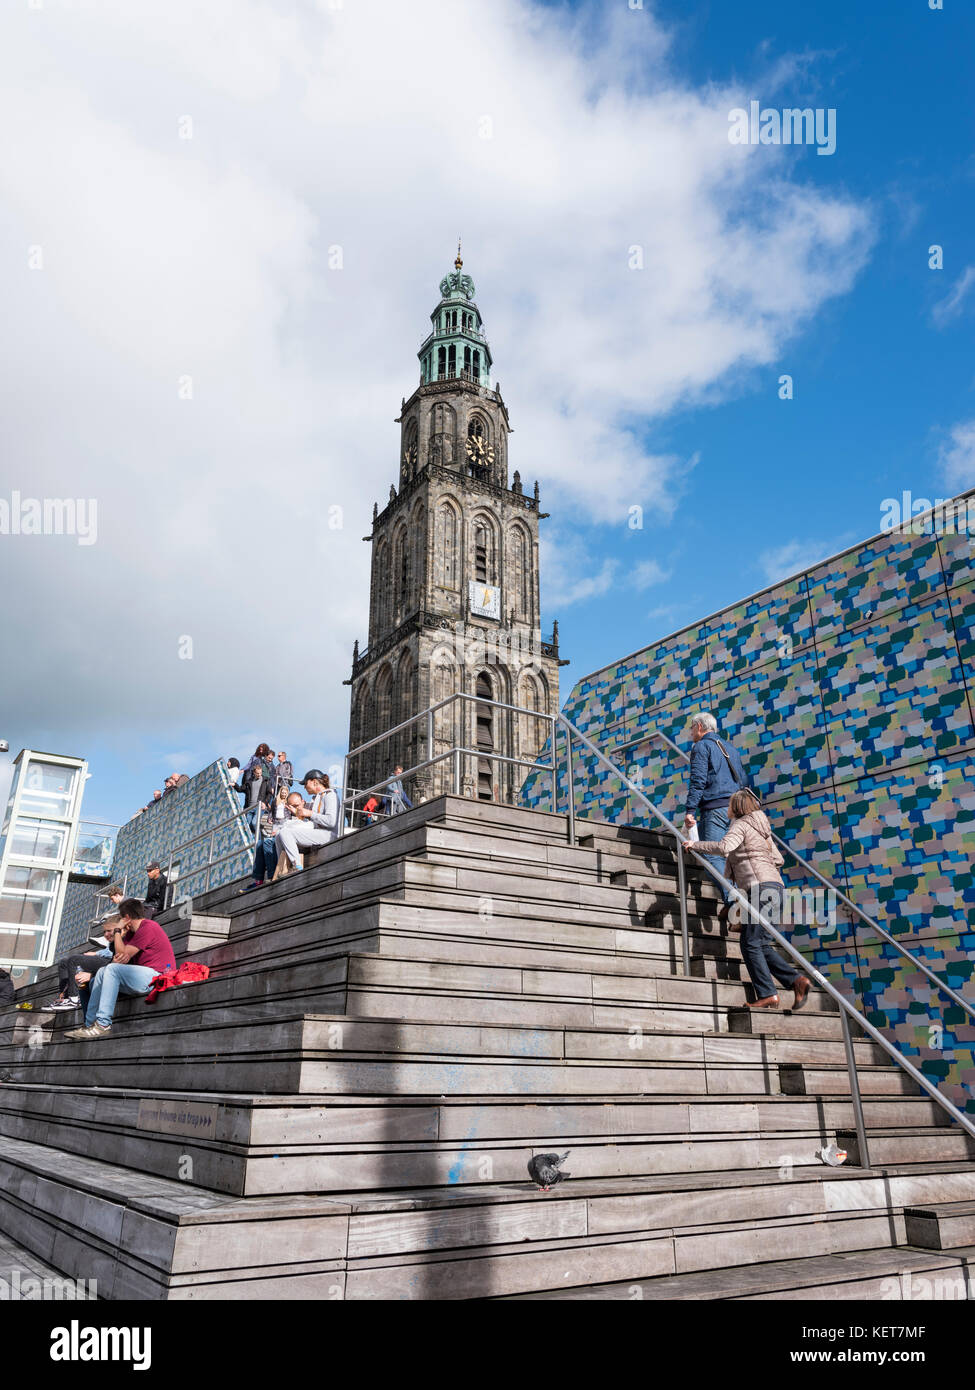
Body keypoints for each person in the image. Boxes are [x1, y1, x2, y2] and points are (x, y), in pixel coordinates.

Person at [684, 789, 810, 1011]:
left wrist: (695, 845)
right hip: (776, 888)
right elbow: (778, 860)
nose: (728, 808)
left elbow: (724, 848)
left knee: (750, 943)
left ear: (737, 807)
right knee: (759, 942)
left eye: (731, 804)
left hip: (760, 890)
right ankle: (796, 981)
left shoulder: (740, 825)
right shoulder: (763, 829)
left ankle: (769, 994)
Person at [64, 900, 176, 1041]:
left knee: (111, 969)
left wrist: (117, 930)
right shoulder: (131, 933)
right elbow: (119, 956)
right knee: (102, 971)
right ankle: (90, 1024)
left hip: (158, 976)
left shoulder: (148, 927)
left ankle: (103, 1024)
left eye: (121, 917)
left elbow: (122, 955)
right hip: (143, 976)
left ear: (127, 917)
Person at [682, 711, 748, 921]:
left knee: (711, 854)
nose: (691, 732)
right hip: (735, 809)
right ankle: (735, 895)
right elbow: (743, 779)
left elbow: (698, 780)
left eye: (692, 727)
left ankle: (734, 898)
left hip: (716, 807)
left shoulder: (701, 746)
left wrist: (690, 810)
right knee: (723, 854)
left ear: (700, 726)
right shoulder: (730, 748)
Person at [274, 770, 342, 876]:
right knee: (279, 835)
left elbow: (331, 821)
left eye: (306, 783)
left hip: (329, 835)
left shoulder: (330, 795)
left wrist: (309, 813)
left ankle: (297, 867)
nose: (304, 787)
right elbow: (315, 820)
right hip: (318, 833)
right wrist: (300, 814)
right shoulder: (318, 797)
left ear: (314, 782)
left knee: (285, 833)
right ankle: (282, 867)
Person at [42, 921, 116, 1012]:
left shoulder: (121, 938)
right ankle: (65, 998)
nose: (106, 934)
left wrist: (91, 973)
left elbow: (114, 956)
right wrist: (97, 953)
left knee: (74, 960)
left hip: (109, 961)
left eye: (108, 931)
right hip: (105, 958)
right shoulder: (112, 942)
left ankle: (74, 998)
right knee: (63, 962)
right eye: (104, 932)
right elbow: (108, 951)